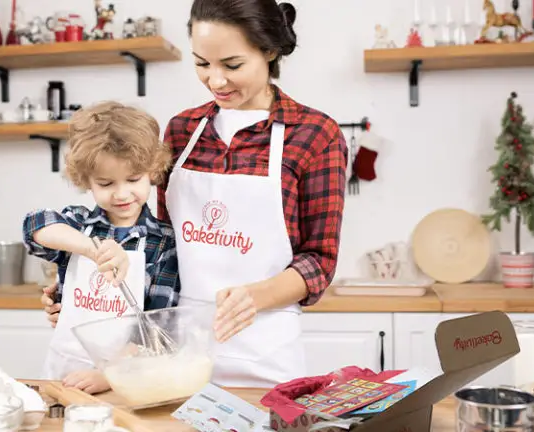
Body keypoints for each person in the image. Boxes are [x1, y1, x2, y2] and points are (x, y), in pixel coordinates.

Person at [41, 0, 347, 388]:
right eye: (202, 63)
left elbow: (319, 261)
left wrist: (256, 296)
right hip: (173, 356)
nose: (216, 81)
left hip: (265, 358)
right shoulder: (183, 130)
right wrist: (84, 293)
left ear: (269, 51)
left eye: (232, 65)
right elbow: (157, 243)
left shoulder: (315, 135)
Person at [23, 101, 181, 394]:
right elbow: (34, 225)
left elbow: (158, 327)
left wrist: (109, 374)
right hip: (64, 373)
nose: (121, 194)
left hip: (129, 378)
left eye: (133, 179)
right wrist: (92, 249)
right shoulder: (77, 224)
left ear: (151, 172)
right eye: (106, 183)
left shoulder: (164, 243)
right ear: (87, 181)